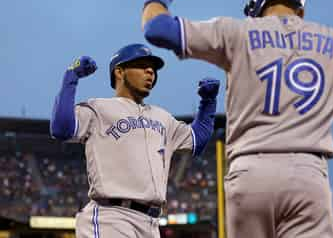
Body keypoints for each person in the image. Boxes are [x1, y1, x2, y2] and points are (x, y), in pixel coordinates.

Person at [140, 0, 333, 238]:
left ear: (258, 4)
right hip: (308, 175)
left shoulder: (237, 33)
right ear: (301, 11)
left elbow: (157, 29)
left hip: (250, 172)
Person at [50, 43, 220, 238]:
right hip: (111, 218)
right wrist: (71, 78)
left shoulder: (163, 118)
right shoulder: (99, 109)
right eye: (141, 65)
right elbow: (61, 128)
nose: (150, 71)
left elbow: (197, 139)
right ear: (119, 72)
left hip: (150, 223)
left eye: (153, 68)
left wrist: (208, 102)